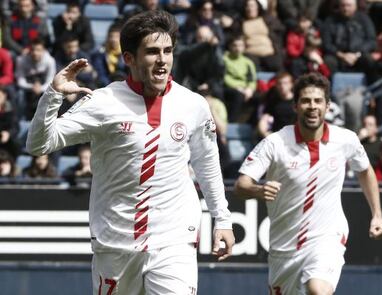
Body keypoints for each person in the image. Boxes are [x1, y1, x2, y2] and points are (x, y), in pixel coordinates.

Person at [26, 10, 234, 294]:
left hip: (174, 239)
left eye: (167, 51)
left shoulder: (193, 105)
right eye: (151, 52)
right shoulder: (103, 102)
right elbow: (39, 144)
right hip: (115, 243)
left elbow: (207, 163)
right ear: (129, 58)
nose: (162, 60)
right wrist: (53, 95)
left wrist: (222, 218)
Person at [234, 72, 382, 295]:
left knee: (318, 289)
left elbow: (365, 171)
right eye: (306, 100)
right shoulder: (275, 143)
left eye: (318, 101)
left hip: (326, 237)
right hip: (284, 249)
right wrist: (258, 190)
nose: (312, 106)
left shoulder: (346, 140)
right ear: (296, 106)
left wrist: (377, 214)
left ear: (327, 106)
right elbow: (241, 185)